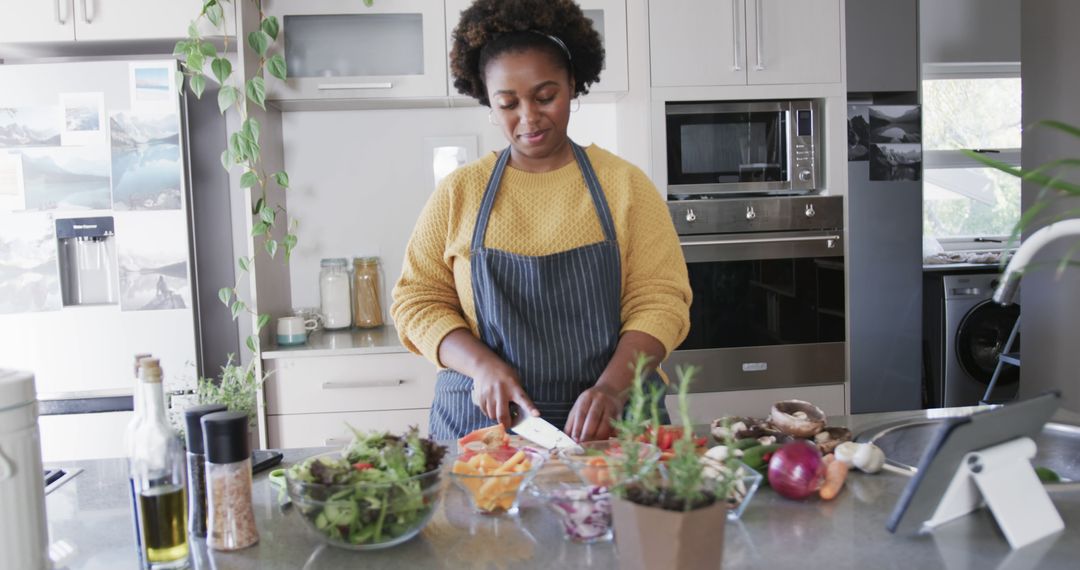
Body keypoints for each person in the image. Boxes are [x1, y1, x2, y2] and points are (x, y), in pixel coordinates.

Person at [391, 0, 691, 442]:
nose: (528, 117)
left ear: (573, 85)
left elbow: (661, 301)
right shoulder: (460, 192)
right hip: (484, 425)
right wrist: (483, 366)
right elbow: (416, 301)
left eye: (546, 96)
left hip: (615, 423)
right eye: (508, 103)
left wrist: (611, 387)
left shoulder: (625, 186)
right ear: (489, 104)